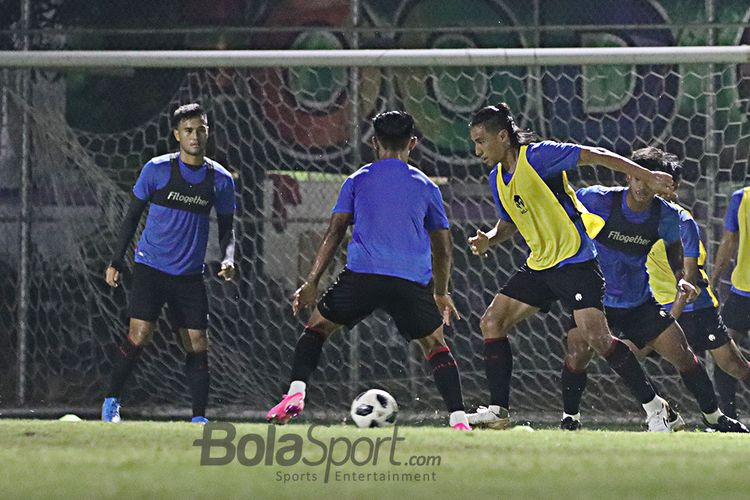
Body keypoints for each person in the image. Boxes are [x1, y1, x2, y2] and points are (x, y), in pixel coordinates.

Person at [466, 103, 678, 432]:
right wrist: (490, 239)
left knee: (597, 338)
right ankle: (498, 411)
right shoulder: (497, 178)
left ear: (503, 137)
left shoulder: (538, 157)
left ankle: (656, 408)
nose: (477, 150)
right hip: (540, 265)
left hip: (575, 261)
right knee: (492, 321)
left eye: (481, 141)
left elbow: (592, 153)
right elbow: (509, 222)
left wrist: (646, 175)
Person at [265, 111, 470, 430]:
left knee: (316, 328)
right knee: (435, 344)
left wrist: (311, 283)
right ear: (412, 143)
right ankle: (458, 419)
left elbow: (333, 233)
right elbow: (443, 248)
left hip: (362, 275)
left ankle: (295, 393)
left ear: (374, 142)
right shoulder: (427, 187)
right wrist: (440, 293)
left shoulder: (357, 180)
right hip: (410, 280)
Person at [560, 147, 747, 432]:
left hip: (638, 302)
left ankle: (714, 416)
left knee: (682, 352)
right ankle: (570, 418)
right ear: (628, 176)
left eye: (650, 180)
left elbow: (674, 246)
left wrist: (680, 277)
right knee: (577, 352)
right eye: (638, 177)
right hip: (595, 299)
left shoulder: (669, 217)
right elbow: (562, 214)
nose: (643, 185)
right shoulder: (597, 200)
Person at [101, 103, 237, 423]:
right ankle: (111, 402)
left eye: (200, 129)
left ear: (208, 132)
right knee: (140, 334)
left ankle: (199, 418)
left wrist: (229, 259)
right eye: (188, 130)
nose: (195, 136)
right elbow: (132, 215)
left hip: (189, 275)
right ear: (176, 135)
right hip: (151, 268)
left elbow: (229, 229)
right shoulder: (157, 170)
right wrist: (116, 261)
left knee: (197, 342)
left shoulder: (220, 179)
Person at [709, 184, 750, 417]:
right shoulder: (741, 198)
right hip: (743, 290)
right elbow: (728, 242)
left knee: (723, 353)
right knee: (723, 351)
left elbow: (727, 242)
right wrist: (713, 280)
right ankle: (729, 416)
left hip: (743, 290)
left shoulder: (741, 197)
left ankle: (728, 416)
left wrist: (713, 281)